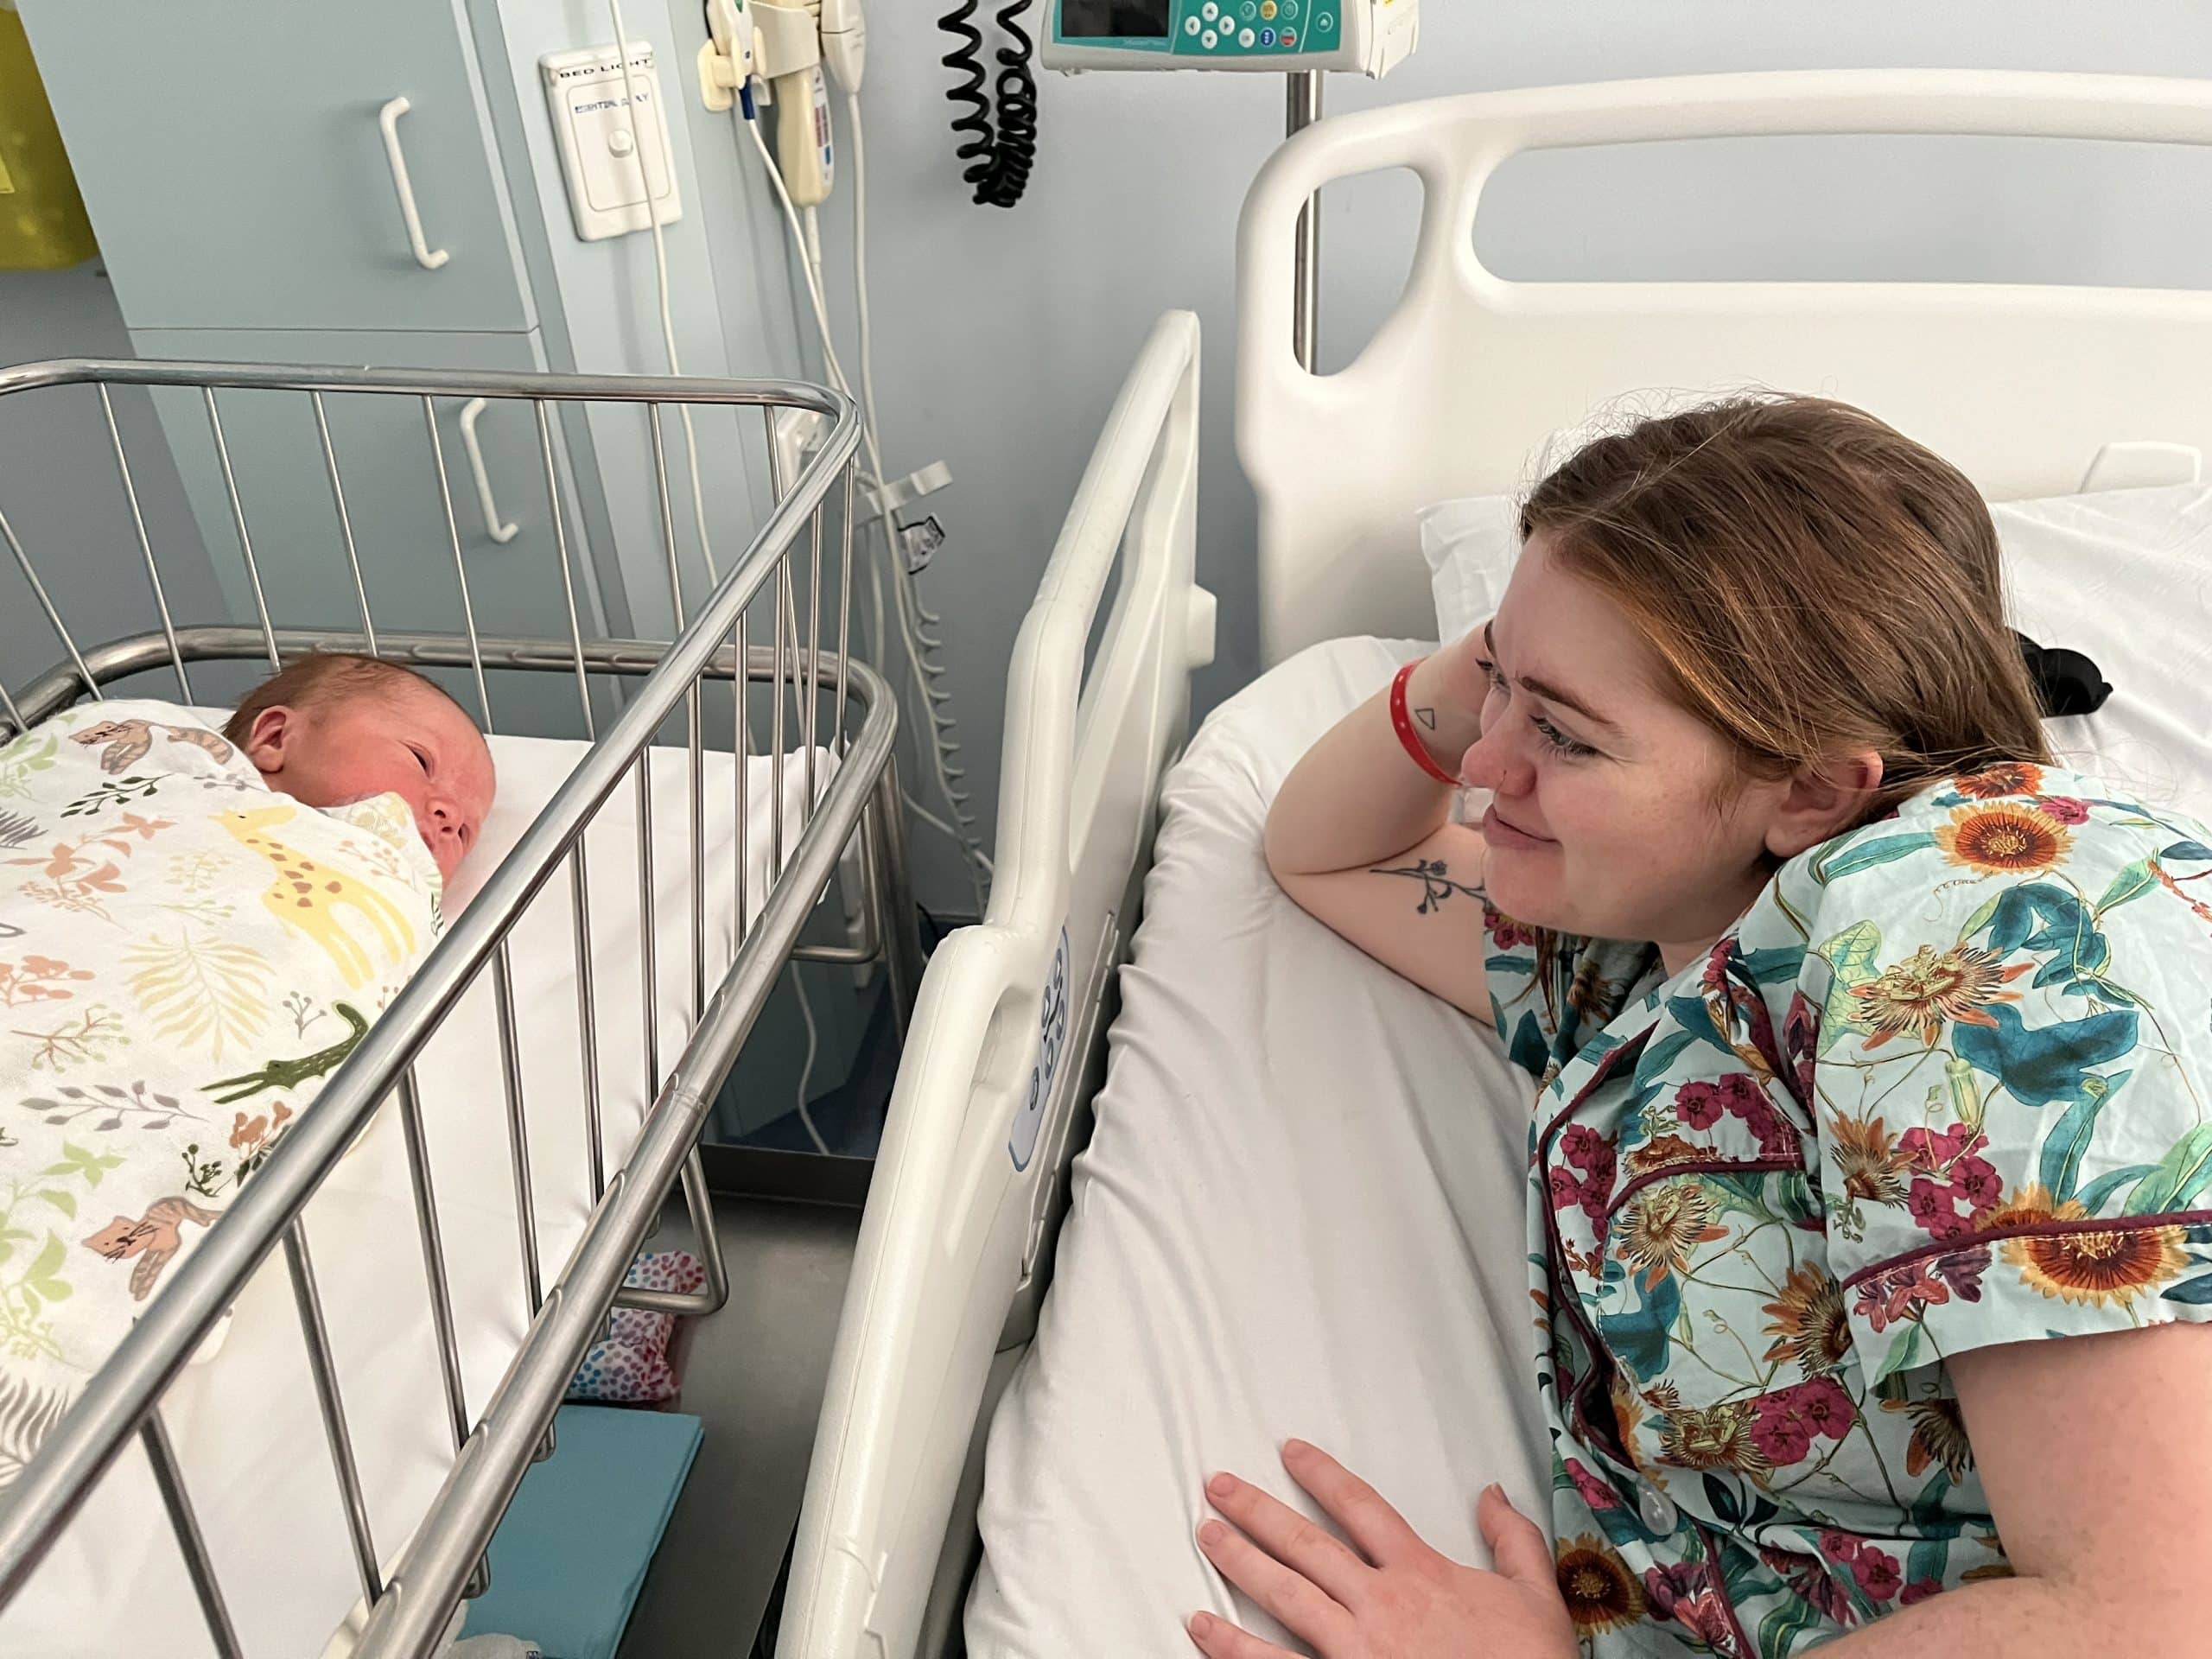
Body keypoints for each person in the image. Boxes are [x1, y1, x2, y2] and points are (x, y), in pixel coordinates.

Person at [1198, 396, 2212, 1657]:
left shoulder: (1965, 936)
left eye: (1563, 734)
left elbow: (2155, 1619)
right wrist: (1534, 643)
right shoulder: (1662, 936)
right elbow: (1329, 852)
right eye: (1496, 689)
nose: (1485, 767)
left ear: (1811, 788)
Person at [226, 653, 494, 883]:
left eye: (463, 833)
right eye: (421, 761)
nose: (451, 814)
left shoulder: (403, 906)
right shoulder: (204, 792)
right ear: (275, 738)